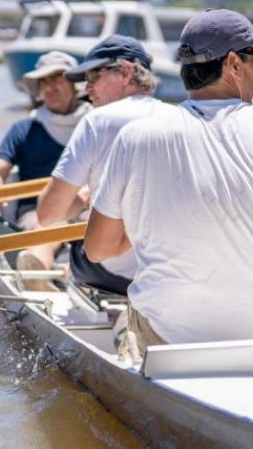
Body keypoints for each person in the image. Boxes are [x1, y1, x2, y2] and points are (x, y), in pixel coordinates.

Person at [85, 9, 253, 363]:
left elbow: (98, 250)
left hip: (171, 334)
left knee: (131, 318)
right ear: (233, 65)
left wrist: (148, 223)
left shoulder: (135, 137)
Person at [35, 35, 172, 295]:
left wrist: (85, 196)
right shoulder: (181, 117)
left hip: (115, 274)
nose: (87, 88)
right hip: (171, 272)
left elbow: (47, 214)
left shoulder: (96, 121)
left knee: (74, 236)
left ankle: (68, 277)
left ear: (126, 71)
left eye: (94, 76)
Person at [0, 51, 92, 290]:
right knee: (53, 222)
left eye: (57, 78)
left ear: (75, 85)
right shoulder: (24, 129)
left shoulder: (96, 123)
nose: (50, 87)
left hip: (87, 205)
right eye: (44, 81)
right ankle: (37, 271)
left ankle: (83, 278)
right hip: (37, 211)